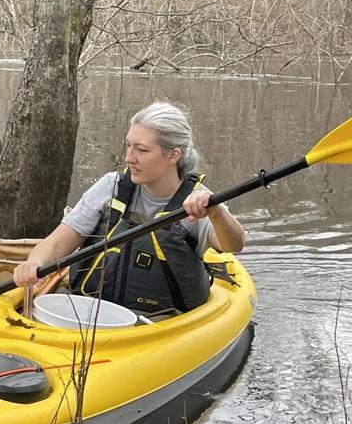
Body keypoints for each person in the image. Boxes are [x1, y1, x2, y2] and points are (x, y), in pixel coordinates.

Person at [13, 101, 246, 315]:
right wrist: (35, 262)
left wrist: (216, 212)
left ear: (173, 155)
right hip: (91, 309)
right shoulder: (110, 187)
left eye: (142, 150)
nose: (129, 158)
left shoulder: (197, 201)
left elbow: (233, 245)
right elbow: (57, 242)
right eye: (128, 146)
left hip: (161, 321)